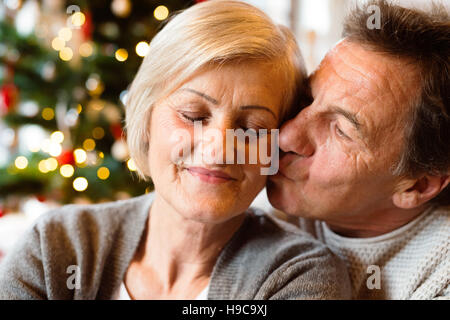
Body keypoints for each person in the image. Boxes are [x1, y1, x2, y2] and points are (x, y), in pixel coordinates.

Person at [0, 0, 350, 300]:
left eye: (251, 129)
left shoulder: (299, 276)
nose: (218, 151)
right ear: (146, 114)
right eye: (193, 115)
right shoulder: (55, 246)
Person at [267, 0, 450, 299]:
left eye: (340, 130)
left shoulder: (440, 276)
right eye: (305, 99)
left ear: (417, 185)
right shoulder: (251, 203)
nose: (285, 136)